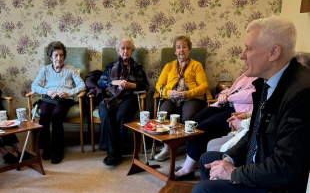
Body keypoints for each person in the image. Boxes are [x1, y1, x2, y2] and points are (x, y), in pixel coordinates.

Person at [181, 16, 310, 193]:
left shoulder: (301, 93)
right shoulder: (272, 81)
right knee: (208, 159)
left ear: (274, 52)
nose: (242, 55)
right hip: (267, 174)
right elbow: (255, 134)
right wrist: (229, 158)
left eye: (249, 48)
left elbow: (286, 168)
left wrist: (235, 173)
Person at [173, 71, 256, 179]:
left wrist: (229, 97)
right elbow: (232, 89)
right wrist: (223, 94)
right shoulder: (247, 73)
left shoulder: (265, 75)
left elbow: (253, 94)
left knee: (203, 128)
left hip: (239, 111)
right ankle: (190, 160)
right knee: (194, 122)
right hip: (224, 104)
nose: (244, 57)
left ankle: (188, 168)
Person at [154, 35, 209, 161]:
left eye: (184, 47)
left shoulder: (196, 65)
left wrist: (187, 94)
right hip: (172, 97)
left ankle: (188, 152)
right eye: (178, 47)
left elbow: (204, 86)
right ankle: (166, 148)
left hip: (191, 98)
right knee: (164, 114)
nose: (181, 50)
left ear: (189, 50)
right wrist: (169, 93)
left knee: (188, 117)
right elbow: (159, 85)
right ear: (175, 51)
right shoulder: (168, 66)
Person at [31, 41, 86, 164]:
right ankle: (46, 147)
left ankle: (58, 150)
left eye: (61, 55)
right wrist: (47, 91)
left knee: (56, 116)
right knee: (44, 115)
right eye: (56, 55)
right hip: (49, 97)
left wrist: (70, 93)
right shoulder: (45, 69)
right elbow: (34, 86)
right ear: (50, 57)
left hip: (64, 99)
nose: (59, 58)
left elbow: (82, 86)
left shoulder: (70, 69)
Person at [98, 36, 149, 166]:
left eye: (128, 48)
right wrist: (115, 82)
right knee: (105, 112)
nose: (125, 51)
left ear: (132, 50)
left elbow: (145, 86)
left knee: (121, 114)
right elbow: (101, 82)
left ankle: (117, 152)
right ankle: (112, 151)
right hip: (111, 97)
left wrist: (130, 85)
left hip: (128, 97)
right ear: (118, 50)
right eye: (122, 48)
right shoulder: (111, 66)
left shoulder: (137, 66)